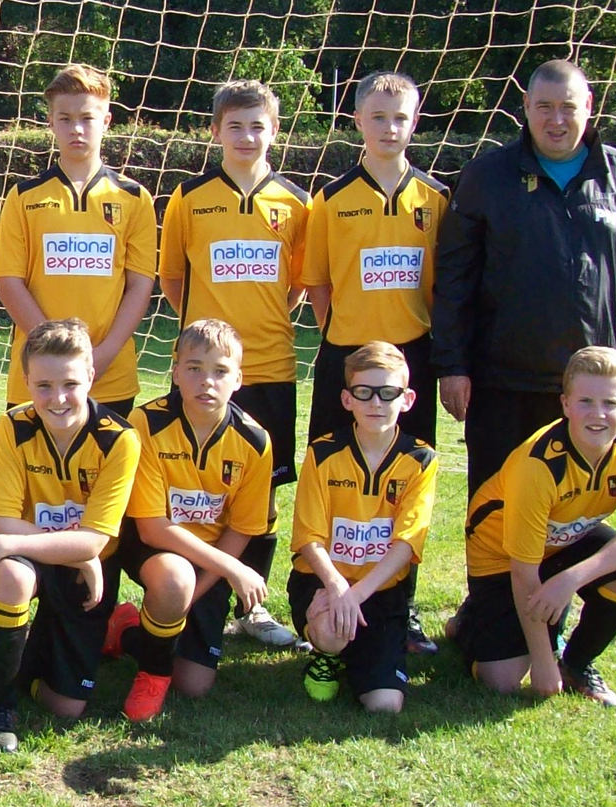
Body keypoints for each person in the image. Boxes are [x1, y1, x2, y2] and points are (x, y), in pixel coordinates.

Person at [432, 59, 616, 496]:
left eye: (568, 106)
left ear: (589, 105)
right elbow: (454, 278)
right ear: (525, 107)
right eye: (544, 106)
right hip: (502, 384)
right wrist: (452, 366)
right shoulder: (487, 176)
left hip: (591, 388)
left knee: (575, 514)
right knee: (496, 511)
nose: (557, 119)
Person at [158, 79, 309, 648]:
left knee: (261, 488)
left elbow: (295, 285)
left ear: (274, 131)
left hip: (269, 365)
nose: (247, 136)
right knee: (190, 480)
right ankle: (187, 587)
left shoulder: (296, 203)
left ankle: (253, 604)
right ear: (216, 131)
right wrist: (208, 341)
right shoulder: (190, 197)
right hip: (202, 368)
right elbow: (172, 277)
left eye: (258, 125)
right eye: (236, 126)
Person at [300, 71, 447, 655]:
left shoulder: (435, 200)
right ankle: (321, 597)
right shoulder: (331, 200)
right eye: (379, 117)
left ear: (415, 122)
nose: (391, 128)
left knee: (405, 486)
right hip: (347, 358)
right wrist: (349, 344)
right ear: (358, 121)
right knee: (334, 481)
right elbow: (318, 286)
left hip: (412, 361)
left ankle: (398, 609)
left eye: (402, 117)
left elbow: (438, 290)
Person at [447, 346, 616, 707]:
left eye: (610, 403)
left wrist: (570, 579)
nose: (598, 414)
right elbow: (523, 572)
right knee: (503, 680)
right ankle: (469, 622)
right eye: (585, 402)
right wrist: (543, 667)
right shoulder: (539, 464)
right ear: (564, 405)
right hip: (501, 556)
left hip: (564, 539)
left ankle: (577, 662)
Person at [0, 318, 141, 752]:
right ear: (26, 381)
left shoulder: (120, 440)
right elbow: (0, 522)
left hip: (88, 573)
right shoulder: (13, 427)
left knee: (66, 706)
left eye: (69, 383)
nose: (58, 398)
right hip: (42, 562)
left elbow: (92, 543)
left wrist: (81, 552)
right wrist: (75, 548)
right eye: (43, 385)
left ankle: (0, 653)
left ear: (91, 375)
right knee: (11, 577)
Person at [104, 320, 274, 721]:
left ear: (238, 379)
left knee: (195, 685)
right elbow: (150, 526)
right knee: (174, 579)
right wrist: (230, 569)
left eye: (220, 371)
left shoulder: (255, 441)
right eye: (194, 368)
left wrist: (197, 592)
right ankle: (152, 671)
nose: (206, 382)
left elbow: (243, 528)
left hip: (212, 559)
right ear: (175, 372)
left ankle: (128, 630)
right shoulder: (147, 423)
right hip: (155, 546)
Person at [0, 63, 156, 416]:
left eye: (87, 118)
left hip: (109, 373)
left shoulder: (134, 197)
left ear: (106, 121)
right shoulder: (23, 196)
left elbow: (140, 284)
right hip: (38, 376)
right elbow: (8, 281)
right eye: (65, 119)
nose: (76, 129)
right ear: (51, 122)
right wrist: (53, 355)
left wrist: (102, 356)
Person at [288, 342, 438, 714]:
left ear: (407, 399)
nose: (376, 402)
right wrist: (338, 587)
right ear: (346, 398)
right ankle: (327, 652)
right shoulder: (322, 453)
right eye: (364, 392)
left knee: (385, 704)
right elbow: (309, 537)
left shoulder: (420, 459)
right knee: (331, 632)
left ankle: (359, 651)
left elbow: (407, 542)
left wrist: (357, 595)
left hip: (380, 589)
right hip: (324, 582)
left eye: (388, 393)